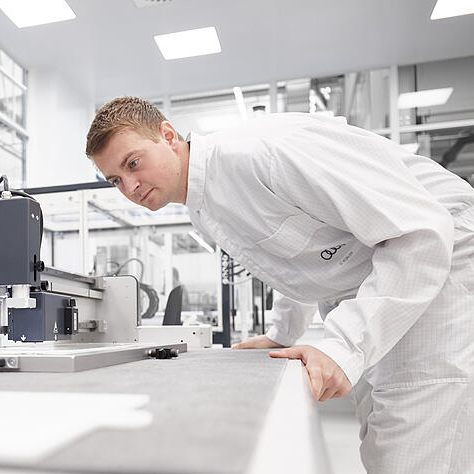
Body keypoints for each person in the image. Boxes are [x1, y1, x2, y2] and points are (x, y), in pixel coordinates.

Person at [85, 96, 473, 474]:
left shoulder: (260, 154)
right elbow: (299, 257)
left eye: (133, 163)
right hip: (385, 281)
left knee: (409, 447)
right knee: (381, 428)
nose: (130, 187)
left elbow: (420, 229)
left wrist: (345, 345)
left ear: (168, 136)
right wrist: (282, 334)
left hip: (442, 260)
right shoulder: (203, 208)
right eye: (116, 180)